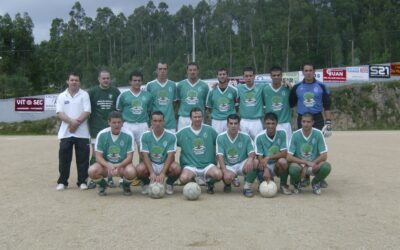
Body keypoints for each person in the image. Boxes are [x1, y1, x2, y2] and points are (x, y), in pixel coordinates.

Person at [289, 63, 332, 188]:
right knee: (302, 147)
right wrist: (289, 89)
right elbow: (291, 104)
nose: (308, 73)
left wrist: (328, 122)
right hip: (302, 118)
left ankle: (319, 175)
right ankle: (305, 176)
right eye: (306, 70)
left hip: (317, 119)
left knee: (318, 148)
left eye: (310, 70)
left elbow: (327, 106)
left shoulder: (322, 87)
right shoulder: (297, 87)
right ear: (303, 72)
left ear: (314, 72)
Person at [55, 72, 91, 191]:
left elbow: (87, 111)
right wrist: (72, 123)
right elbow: (60, 113)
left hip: (82, 133)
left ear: (79, 82)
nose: (74, 82)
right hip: (65, 133)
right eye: (72, 80)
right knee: (64, 159)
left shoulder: (84, 95)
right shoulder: (61, 96)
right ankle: (62, 182)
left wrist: (76, 123)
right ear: (68, 81)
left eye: (76, 80)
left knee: (83, 159)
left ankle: (82, 181)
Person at [87, 111, 137, 196]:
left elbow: (129, 157)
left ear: (122, 123)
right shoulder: (102, 134)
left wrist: (119, 165)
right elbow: (98, 156)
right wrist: (109, 166)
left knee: (131, 172)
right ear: (109, 122)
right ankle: (103, 185)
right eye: (114, 122)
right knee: (92, 170)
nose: (116, 125)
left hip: (122, 166)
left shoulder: (128, 135)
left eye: (119, 122)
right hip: (106, 166)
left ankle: (125, 186)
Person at [87, 70, 121, 188]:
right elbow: (87, 110)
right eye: (103, 78)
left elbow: (118, 110)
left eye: (107, 78)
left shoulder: (115, 91)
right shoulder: (92, 92)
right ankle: (93, 178)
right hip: (96, 128)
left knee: (110, 152)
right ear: (99, 79)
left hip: (111, 128)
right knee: (95, 153)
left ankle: (110, 178)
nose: (106, 80)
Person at [176, 107, 222, 194]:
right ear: (190, 118)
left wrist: (216, 157)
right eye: (195, 117)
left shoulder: (209, 130)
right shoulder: (183, 132)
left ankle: (209, 183)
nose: (197, 119)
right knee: (183, 179)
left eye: (199, 117)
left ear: (202, 117)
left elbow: (220, 141)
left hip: (207, 165)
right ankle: (192, 181)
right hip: (190, 166)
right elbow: (170, 140)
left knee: (219, 175)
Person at [136, 111, 181, 195]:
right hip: (151, 163)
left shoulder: (171, 136)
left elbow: (170, 156)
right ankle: (146, 183)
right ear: (151, 122)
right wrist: (152, 173)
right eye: (155, 121)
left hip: (164, 163)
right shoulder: (145, 135)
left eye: (160, 121)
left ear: (164, 122)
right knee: (139, 169)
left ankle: (169, 184)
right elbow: (145, 156)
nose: (157, 123)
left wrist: (163, 173)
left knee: (177, 168)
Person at [287, 113, 332, 195]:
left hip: (314, 164)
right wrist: (305, 163)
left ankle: (315, 182)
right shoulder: (295, 134)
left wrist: (309, 164)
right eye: (303, 121)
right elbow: (289, 157)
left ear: (313, 122)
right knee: (292, 168)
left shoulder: (318, 134)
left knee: (326, 166)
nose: (305, 124)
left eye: (308, 122)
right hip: (300, 165)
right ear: (301, 122)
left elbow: (324, 156)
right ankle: (297, 183)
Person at [216, 114, 258, 197]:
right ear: (227, 124)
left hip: (242, 164)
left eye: (235, 123)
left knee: (255, 162)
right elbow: (219, 156)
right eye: (231, 123)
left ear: (239, 125)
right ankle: (228, 184)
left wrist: (250, 159)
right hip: (229, 166)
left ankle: (247, 187)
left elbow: (252, 152)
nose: (233, 126)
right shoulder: (221, 137)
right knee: (227, 178)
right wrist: (224, 171)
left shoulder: (245, 136)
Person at [116, 71, 153, 158]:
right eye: (134, 80)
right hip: (128, 125)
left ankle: (143, 170)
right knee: (126, 150)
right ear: (130, 81)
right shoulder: (123, 95)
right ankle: (127, 170)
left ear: (142, 82)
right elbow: (118, 111)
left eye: (139, 80)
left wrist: (149, 125)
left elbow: (150, 111)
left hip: (143, 125)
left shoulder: (148, 95)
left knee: (144, 152)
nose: (137, 82)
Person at [254, 112, 291, 195]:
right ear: (264, 124)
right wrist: (266, 169)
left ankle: (283, 184)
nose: (270, 126)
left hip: (277, 164)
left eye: (273, 123)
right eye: (268, 123)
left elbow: (284, 153)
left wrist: (268, 157)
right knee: (257, 163)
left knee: (283, 161)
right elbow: (259, 157)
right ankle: (262, 180)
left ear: (277, 123)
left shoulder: (282, 133)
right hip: (265, 165)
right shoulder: (259, 136)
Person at [262, 66, 292, 145]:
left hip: (285, 123)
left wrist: (291, 87)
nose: (276, 77)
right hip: (271, 124)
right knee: (272, 149)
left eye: (278, 75)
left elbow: (296, 98)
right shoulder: (265, 89)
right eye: (274, 75)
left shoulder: (287, 88)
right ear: (270, 76)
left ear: (282, 76)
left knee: (287, 148)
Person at [176, 62, 209, 131]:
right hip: (184, 117)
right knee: (182, 140)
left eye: (194, 70)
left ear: (198, 71)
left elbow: (206, 104)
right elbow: (178, 102)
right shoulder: (180, 85)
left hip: (198, 117)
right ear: (187, 71)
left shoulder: (204, 86)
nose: (192, 72)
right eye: (190, 70)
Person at [146, 62, 177, 132]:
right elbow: (147, 106)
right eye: (160, 69)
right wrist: (149, 123)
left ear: (167, 70)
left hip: (170, 124)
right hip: (155, 123)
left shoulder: (172, 85)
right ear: (156, 70)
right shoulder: (150, 85)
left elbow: (175, 103)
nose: (162, 71)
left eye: (164, 69)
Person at [206, 68, 238, 134]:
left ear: (227, 76)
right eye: (220, 74)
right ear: (217, 76)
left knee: (230, 141)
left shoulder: (234, 90)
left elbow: (237, 106)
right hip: (216, 121)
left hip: (230, 121)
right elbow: (209, 107)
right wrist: (212, 117)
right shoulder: (212, 91)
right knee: (217, 141)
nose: (222, 76)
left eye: (224, 74)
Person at [237, 66, 264, 140]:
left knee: (258, 144)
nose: (248, 78)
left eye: (250, 76)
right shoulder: (239, 88)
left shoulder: (261, 87)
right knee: (244, 144)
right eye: (246, 76)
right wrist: (216, 85)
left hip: (256, 121)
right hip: (244, 121)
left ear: (254, 76)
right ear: (243, 77)